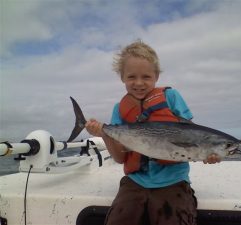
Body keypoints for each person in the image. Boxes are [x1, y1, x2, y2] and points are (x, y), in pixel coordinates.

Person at [85, 40, 220, 225]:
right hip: (135, 181)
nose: (139, 83)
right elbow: (118, 158)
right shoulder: (119, 109)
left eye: (146, 77)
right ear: (122, 77)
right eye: (131, 77)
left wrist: (206, 152)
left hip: (174, 181)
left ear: (156, 76)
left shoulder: (171, 97)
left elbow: (192, 135)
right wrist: (104, 134)